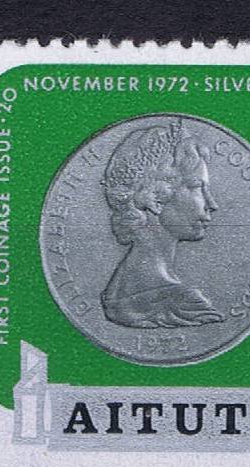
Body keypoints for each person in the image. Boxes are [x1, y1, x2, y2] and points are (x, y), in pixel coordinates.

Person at [95, 119, 230, 331]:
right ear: (155, 199)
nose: (212, 204)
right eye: (196, 187)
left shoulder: (116, 291)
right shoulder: (186, 304)